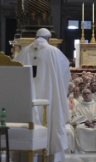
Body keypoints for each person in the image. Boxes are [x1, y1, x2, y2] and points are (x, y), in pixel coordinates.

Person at [14, 28, 70, 161]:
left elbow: (15, 74)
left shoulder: (24, 52)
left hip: (27, 98)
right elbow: (64, 74)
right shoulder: (54, 52)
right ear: (49, 39)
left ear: (36, 37)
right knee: (50, 118)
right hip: (49, 96)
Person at [74, 89, 96, 153]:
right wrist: (85, 121)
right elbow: (76, 117)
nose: (86, 95)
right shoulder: (78, 106)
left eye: (88, 93)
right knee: (79, 129)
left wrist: (92, 121)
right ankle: (81, 151)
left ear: (91, 95)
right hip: (83, 124)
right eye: (84, 94)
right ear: (82, 96)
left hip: (94, 123)